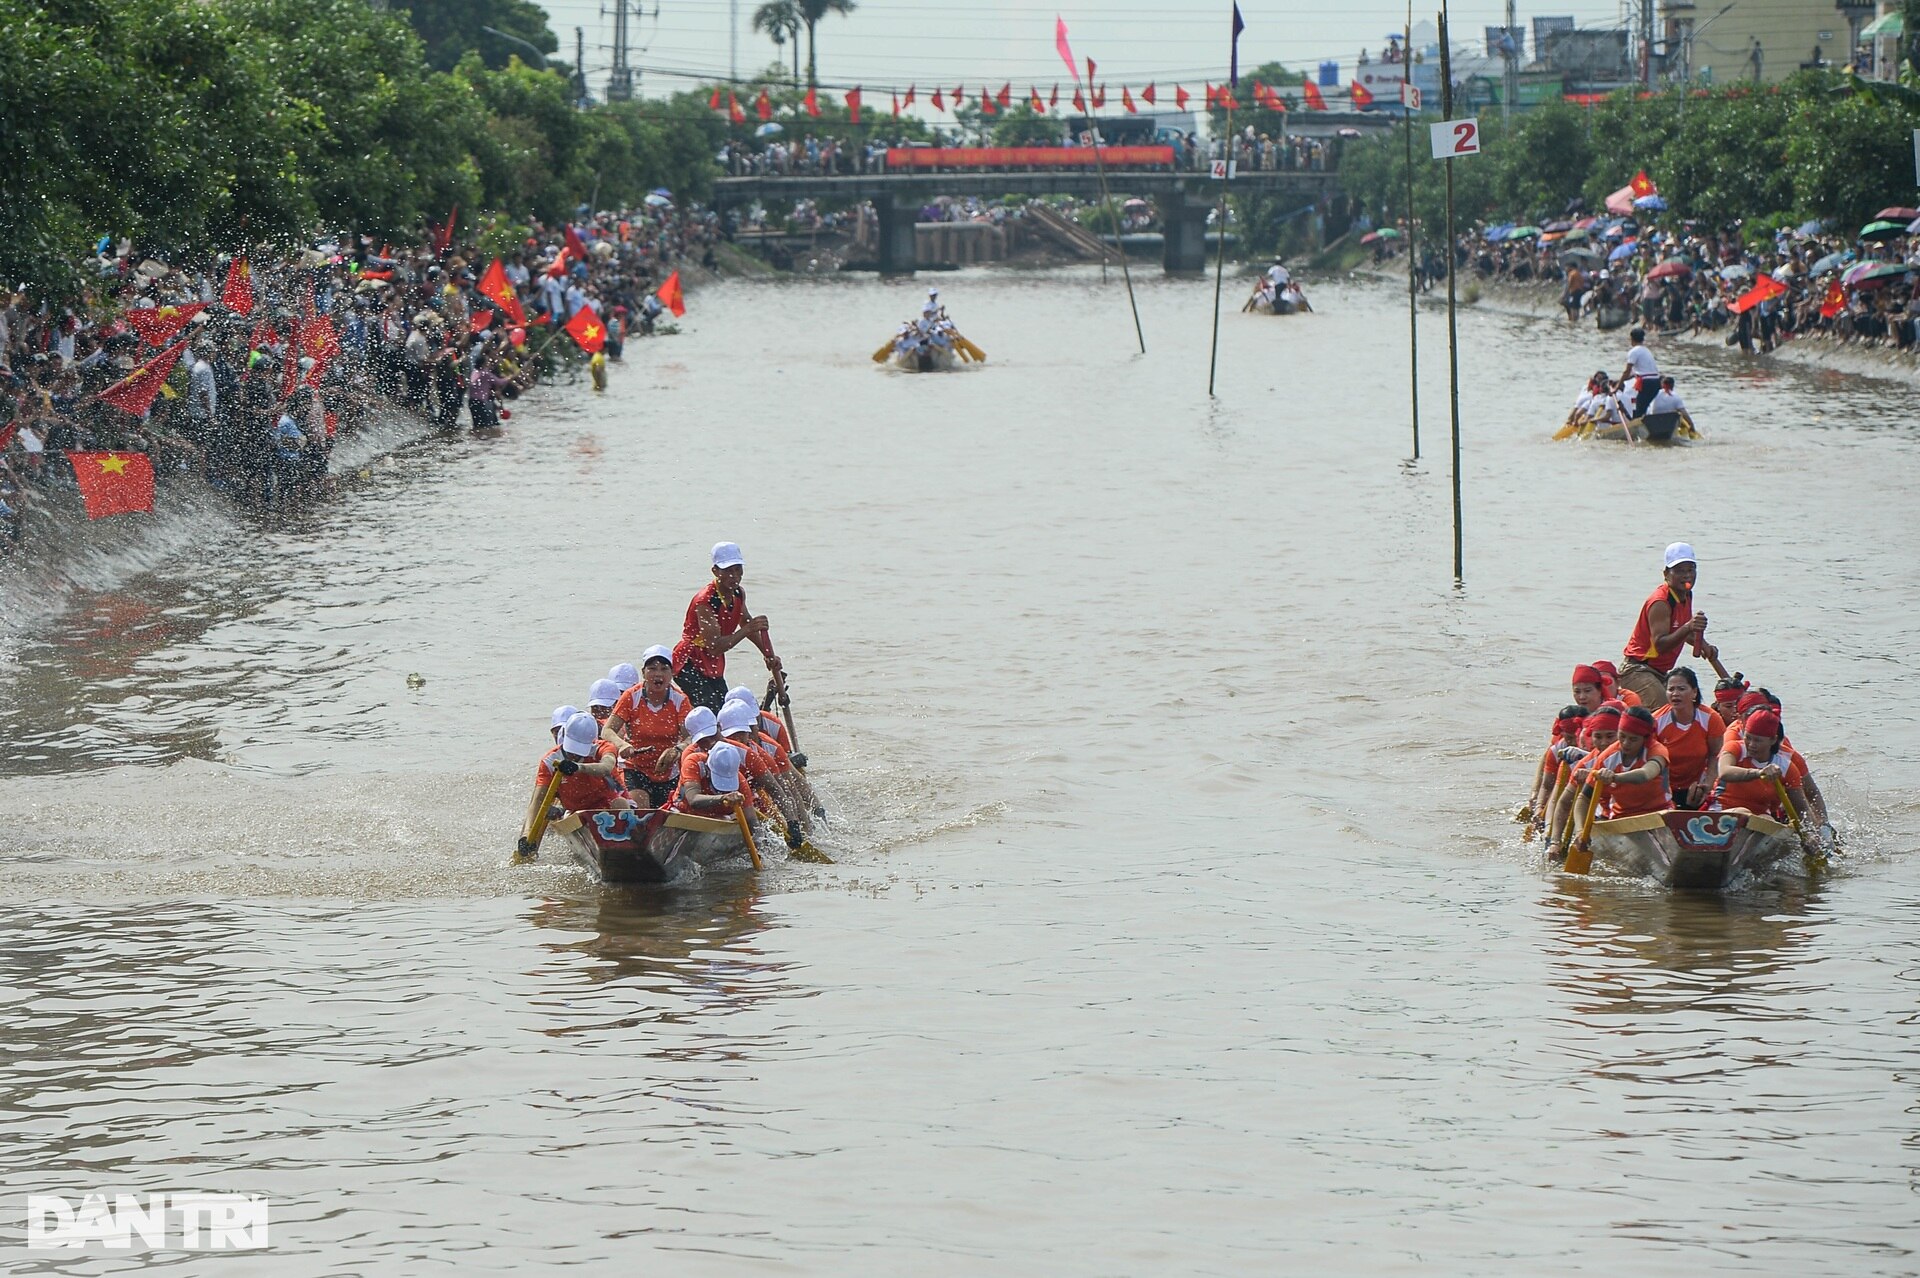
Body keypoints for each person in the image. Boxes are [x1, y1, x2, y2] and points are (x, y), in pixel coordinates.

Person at [672, 541, 782, 711]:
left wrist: (768, 655)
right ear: (715, 571)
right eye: (728, 571)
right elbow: (715, 647)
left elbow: (745, 621)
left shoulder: (738, 593)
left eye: (738, 570)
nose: (734, 576)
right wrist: (747, 630)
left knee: (725, 708)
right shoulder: (705, 601)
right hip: (689, 662)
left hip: (712, 663)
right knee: (711, 708)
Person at [1618, 542, 1716, 706]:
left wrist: (1705, 646)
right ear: (1666, 574)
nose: (1686, 576)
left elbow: (1683, 631)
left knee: (1688, 705)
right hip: (1638, 670)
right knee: (1665, 710)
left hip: (1660, 672)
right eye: (1679, 571)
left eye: (1690, 570)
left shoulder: (1686, 594)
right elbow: (1661, 644)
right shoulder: (1661, 603)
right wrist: (1689, 626)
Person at [1710, 710, 1824, 848]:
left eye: (1757, 740)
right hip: (1721, 811)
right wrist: (1758, 773)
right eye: (1748, 737)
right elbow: (1724, 771)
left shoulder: (1787, 767)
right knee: (1743, 813)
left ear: (1773, 740)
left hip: (1762, 820)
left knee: (1765, 820)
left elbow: (1801, 810)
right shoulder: (1734, 748)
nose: (1751, 744)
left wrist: (1811, 834)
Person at [604, 646, 690, 807]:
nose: (658, 674)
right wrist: (622, 744)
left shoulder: (680, 700)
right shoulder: (631, 696)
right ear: (643, 673)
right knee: (640, 812)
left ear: (672, 674)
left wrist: (677, 750)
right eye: (652, 669)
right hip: (635, 768)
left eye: (664, 669)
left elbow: (691, 737)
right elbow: (607, 731)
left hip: (669, 771)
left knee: (666, 817)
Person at [530, 712, 632, 821]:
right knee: (569, 817)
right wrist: (526, 834)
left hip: (608, 802)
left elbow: (606, 768)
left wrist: (578, 767)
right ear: (564, 734)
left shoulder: (603, 748)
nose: (574, 755)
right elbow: (537, 801)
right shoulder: (549, 761)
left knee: (619, 803)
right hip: (576, 810)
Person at [1653, 667, 1724, 808]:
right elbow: (1651, 761)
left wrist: (1707, 786)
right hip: (1664, 787)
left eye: (1681, 689)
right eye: (1671, 689)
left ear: (1694, 692)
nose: (1675, 694)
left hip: (1697, 786)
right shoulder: (1656, 720)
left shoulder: (1710, 718)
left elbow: (1715, 755)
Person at [1589, 706, 1674, 820]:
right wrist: (1580, 831)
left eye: (1633, 739)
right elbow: (1583, 798)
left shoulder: (1657, 750)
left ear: (1645, 738)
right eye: (1622, 736)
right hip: (1622, 817)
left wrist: (1613, 777)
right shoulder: (1607, 757)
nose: (1625, 743)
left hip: (1659, 812)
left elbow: (1645, 774)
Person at [1618, 327, 1661, 418]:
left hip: (1647, 383)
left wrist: (1617, 387)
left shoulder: (1633, 351)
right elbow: (1632, 374)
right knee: (1643, 407)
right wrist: (1619, 381)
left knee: (1639, 410)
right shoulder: (1646, 350)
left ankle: (1638, 426)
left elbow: (1627, 371)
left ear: (1632, 339)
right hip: (1656, 382)